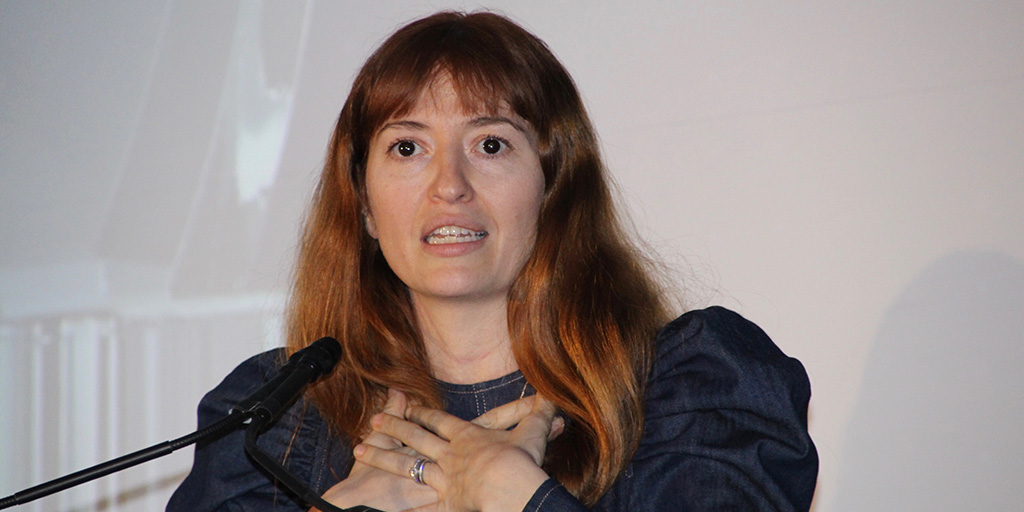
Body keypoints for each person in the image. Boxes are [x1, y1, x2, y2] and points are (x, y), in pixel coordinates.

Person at [168, 10, 818, 512]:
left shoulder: (697, 386)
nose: (448, 184)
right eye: (406, 148)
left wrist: (513, 493)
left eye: (489, 143)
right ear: (364, 206)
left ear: (553, 188)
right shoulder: (275, 416)